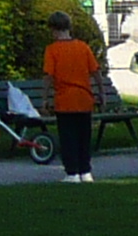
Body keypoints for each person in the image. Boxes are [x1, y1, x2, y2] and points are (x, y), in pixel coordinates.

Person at [42, 12, 102, 183]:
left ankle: (72, 172)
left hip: (65, 100)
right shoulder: (83, 47)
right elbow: (95, 71)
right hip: (84, 98)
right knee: (84, 136)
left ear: (53, 29)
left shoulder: (52, 50)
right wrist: (101, 92)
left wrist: (45, 98)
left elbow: (48, 75)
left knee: (68, 137)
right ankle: (86, 171)